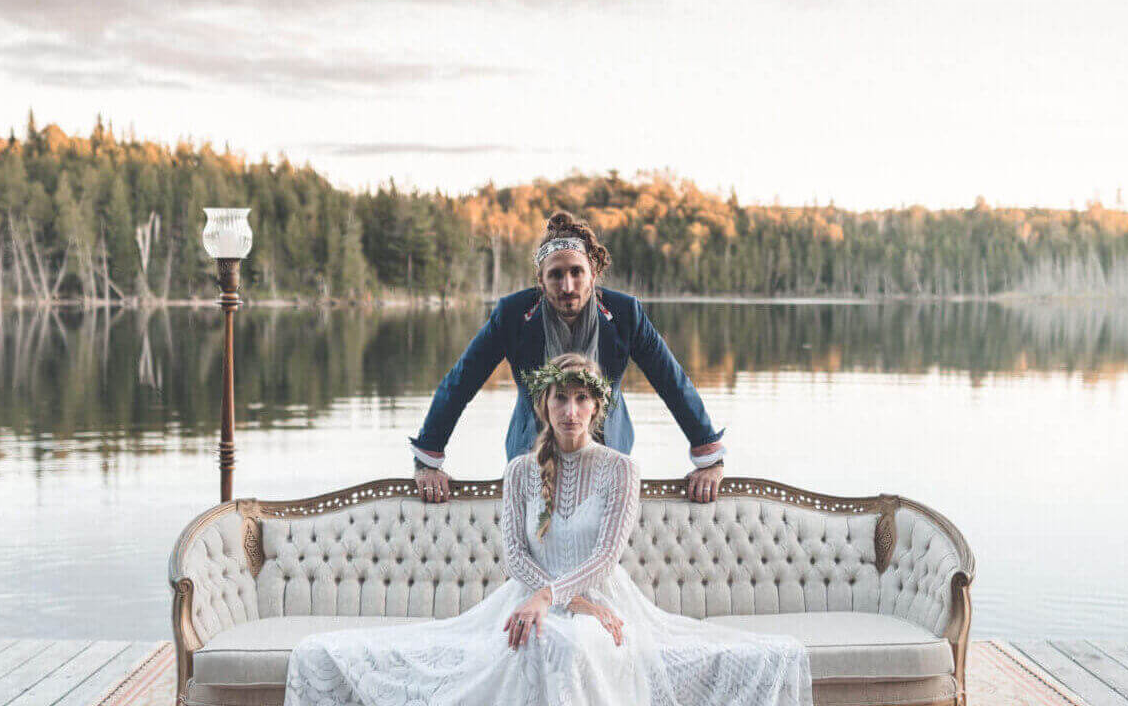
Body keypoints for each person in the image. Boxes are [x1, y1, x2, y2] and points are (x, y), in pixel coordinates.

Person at [286, 354, 812, 706]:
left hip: (603, 599)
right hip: (528, 599)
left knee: (571, 644)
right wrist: (553, 600)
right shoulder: (519, 470)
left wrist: (559, 598)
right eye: (560, 398)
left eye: (582, 399)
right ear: (543, 404)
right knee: (534, 639)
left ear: (597, 406)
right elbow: (515, 553)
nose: (571, 410)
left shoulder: (620, 470)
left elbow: (605, 558)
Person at [411, 211, 728, 504]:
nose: (567, 286)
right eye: (556, 275)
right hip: (531, 451)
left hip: (607, 446)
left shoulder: (625, 313)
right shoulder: (512, 314)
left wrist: (708, 459)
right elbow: (460, 382)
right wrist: (428, 460)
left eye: (577, 272)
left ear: (593, 273)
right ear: (541, 279)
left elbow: (672, 382)